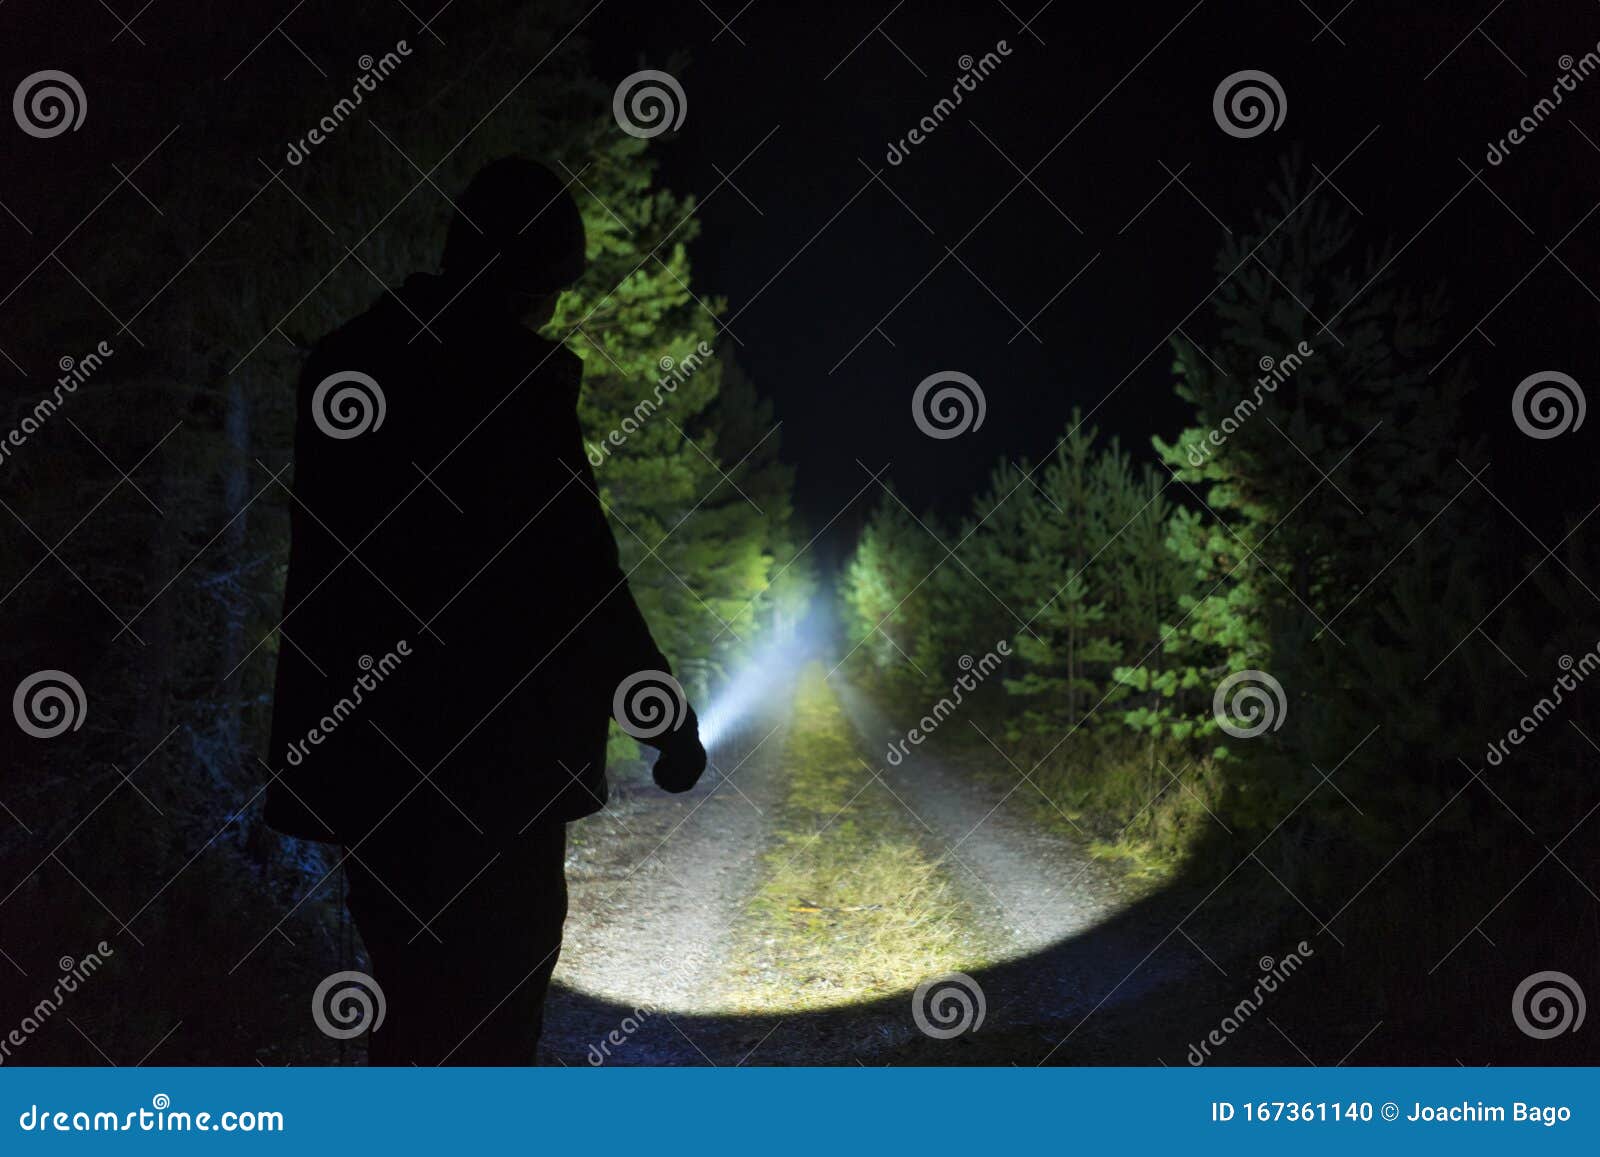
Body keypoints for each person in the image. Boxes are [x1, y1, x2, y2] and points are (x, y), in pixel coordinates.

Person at [263, 157, 707, 1065]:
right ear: (530, 275)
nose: (549, 310)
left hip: (373, 764)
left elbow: (324, 575)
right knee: (496, 1015)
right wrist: (662, 717)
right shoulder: (515, 387)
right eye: (551, 286)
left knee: (408, 1010)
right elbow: (581, 577)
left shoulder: (347, 364)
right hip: (501, 769)